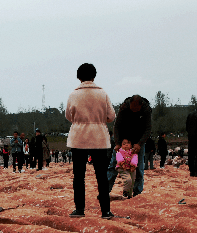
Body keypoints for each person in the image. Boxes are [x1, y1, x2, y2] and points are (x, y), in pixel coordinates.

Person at [65, 62, 116, 219]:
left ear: (79, 77)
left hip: (78, 137)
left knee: (79, 176)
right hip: (99, 137)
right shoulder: (102, 93)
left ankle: (80, 209)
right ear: (94, 76)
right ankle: (105, 211)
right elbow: (111, 116)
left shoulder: (73, 94)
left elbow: (69, 116)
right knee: (101, 175)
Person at [110, 95, 152, 195]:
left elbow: (148, 129)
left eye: (136, 108)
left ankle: (137, 192)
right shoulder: (124, 108)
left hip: (138, 142)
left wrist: (140, 143)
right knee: (113, 165)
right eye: (132, 108)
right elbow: (116, 126)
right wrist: (117, 143)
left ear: (141, 105)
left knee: (139, 168)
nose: (134, 110)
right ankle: (105, 191)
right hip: (123, 141)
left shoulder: (146, 110)